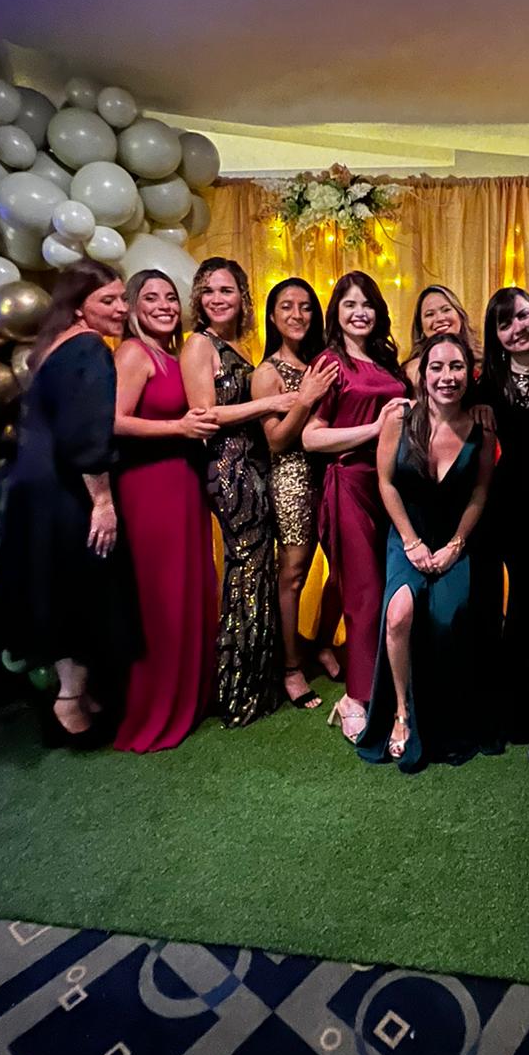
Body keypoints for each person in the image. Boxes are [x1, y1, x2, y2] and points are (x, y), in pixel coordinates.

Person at [0, 260, 140, 740]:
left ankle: (78, 692)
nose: (121, 308)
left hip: (37, 492)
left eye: (121, 298)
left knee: (59, 589)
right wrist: (103, 502)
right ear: (77, 307)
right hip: (66, 494)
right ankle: (69, 699)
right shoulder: (88, 348)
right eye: (107, 300)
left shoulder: (55, 347)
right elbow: (86, 435)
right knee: (80, 594)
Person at [358, 333, 498, 768]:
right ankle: (401, 713)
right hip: (408, 535)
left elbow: (479, 492)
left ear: (469, 373)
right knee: (399, 613)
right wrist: (411, 541)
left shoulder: (482, 427)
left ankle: (447, 718)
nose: (446, 376)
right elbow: (386, 483)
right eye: (436, 367)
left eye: (456, 366)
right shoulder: (399, 418)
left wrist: (456, 544)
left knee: (446, 620)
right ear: (421, 374)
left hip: (454, 538)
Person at [181, 258, 292, 727]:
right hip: (229, 470)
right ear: (198, 299)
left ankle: (259, 683)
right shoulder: (199, 344)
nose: (217, 299)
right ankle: (237, 692)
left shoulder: (237, 346)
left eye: (226, 290)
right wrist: (271, 402)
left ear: (242, 297)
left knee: (259, 569)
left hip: (255, 466)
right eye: (208, 291)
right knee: (247, 569)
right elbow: (204, 415)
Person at [111, 270, 218, 753]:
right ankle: (154, 707)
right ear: (133, 306)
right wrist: (178, 428)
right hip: (149, 488)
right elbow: (112, 422)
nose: (163, 306)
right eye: (151, 297)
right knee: (160, 599)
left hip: (184, 485)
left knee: (188, 590)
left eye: (170, 297)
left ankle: (187, 698)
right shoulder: (134, 353)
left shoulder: (175, 357)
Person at [303, 272, 410, 740]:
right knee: (364, 593)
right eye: (349, 304)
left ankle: (390, 689)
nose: (359, 312)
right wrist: (374, 430)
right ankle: (355, 697)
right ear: (336, 313)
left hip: (394, 486)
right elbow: (311, 436)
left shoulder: (387, 361)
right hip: (351, 482)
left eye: (367, 304)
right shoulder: (331, 362)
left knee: (392, 591)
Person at [251, 278, 341, 709]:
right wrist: (305, 398)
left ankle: (321, 643)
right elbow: (276, 441)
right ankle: (290, 667)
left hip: (333, 473)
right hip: (292, 478)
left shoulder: (324, 361)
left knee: (344, 565)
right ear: (272, 316)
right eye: (286, 306)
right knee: (293, 574)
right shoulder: (267, 373)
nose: (297, 314)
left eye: (305, 306)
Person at [477, 287, 529, 746]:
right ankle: (517, 710)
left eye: (523, 316)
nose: (517, 328)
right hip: (509, 507)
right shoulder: (487, 383)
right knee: (521, 605)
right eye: (504, 324)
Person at [404, 284, 480, 392]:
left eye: (446, 310)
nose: (440, 318)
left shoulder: (483, 361)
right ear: (421, 326)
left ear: (460, 315)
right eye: (430, 314)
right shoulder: (414, 370)